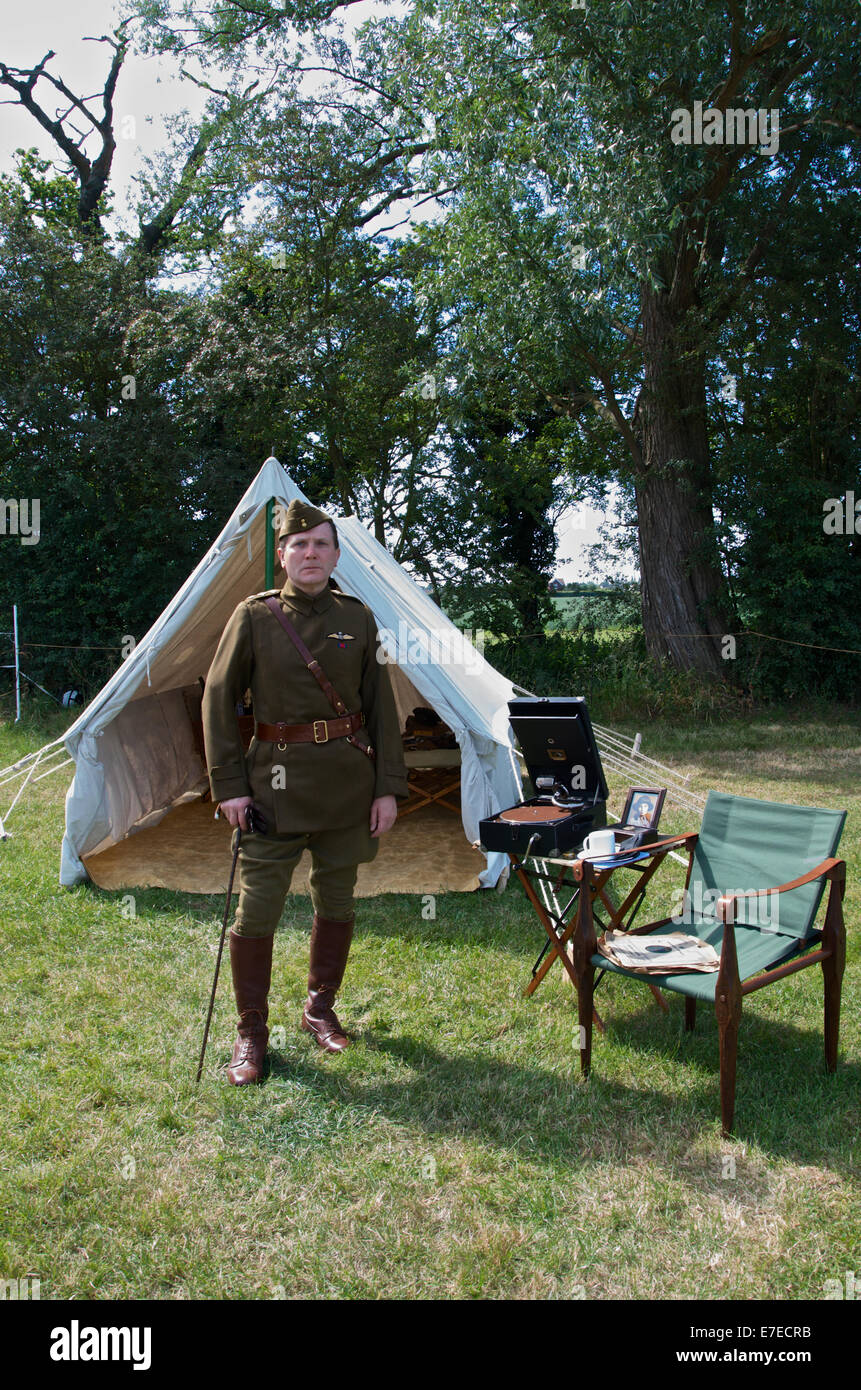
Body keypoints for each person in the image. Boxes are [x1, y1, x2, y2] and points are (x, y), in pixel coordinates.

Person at [202, 499, 408, 1085]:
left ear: (337, 555)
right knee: (257, 909)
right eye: (299, 545)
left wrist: (388, 788)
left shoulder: (359, 617)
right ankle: (251, 1033)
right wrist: (230, 787)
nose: (310, 553)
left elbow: (382, 711)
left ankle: (319, 1009)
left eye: (321, 544)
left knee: (337, 901)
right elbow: (217, 701)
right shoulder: (255, 616)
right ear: (283, 557)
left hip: (347, 786)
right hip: (272, 789)